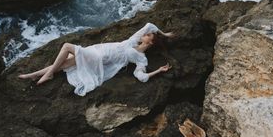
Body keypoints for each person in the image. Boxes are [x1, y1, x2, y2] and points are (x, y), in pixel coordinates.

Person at [18, 22, 175, 96]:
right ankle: (35, 74)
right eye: (146, 34)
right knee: (66, 62)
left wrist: (158, 71)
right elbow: (149, 25)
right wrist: (165, 33)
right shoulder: (133, 41)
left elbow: (140, 76)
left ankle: (49, 74)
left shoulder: (141, 58)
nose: (145, 34)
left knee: (66, 46)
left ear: (150, 42)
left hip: (99, 58)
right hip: (96, 49)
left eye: (148, 36)